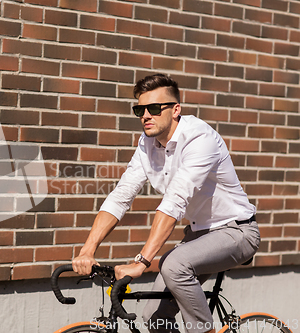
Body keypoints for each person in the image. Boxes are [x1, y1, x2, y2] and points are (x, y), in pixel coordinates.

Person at [72, 74, 260, 333]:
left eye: (154, 108)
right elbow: (121, 196)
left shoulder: (199, 139)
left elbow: (174, 201)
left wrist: (142, 261)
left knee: (172, 264)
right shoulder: (147, 145)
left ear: (175, 110)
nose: (145, 115)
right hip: (198, 235)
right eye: (139, 109)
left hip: (237, 231)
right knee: (154, 318)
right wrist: (87, 250)